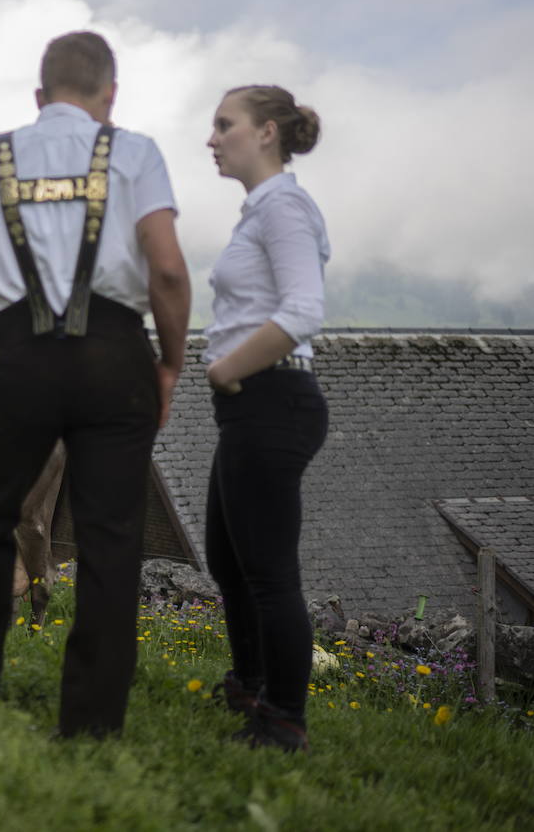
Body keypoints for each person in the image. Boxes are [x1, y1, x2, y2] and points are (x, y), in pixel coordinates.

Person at [0, 30, 191, 738]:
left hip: (17, 356)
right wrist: (168, 364)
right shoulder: (134, 153)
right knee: (109, 534)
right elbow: (165, 269)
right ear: (110, 95)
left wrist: (9, 270)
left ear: (38, 96)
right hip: (113, 356)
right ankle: (93, 719)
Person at [201, 84, 330, 752]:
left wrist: (227, 368)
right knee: (228, 557)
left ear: (267, 133)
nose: (212, 138)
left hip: (272, 401)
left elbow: (304, 309)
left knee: (270, 572)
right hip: (254, 407)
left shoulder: (283, 206)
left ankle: (283, 720)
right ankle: (250, 687)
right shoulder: (261, 211)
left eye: (225, 125)